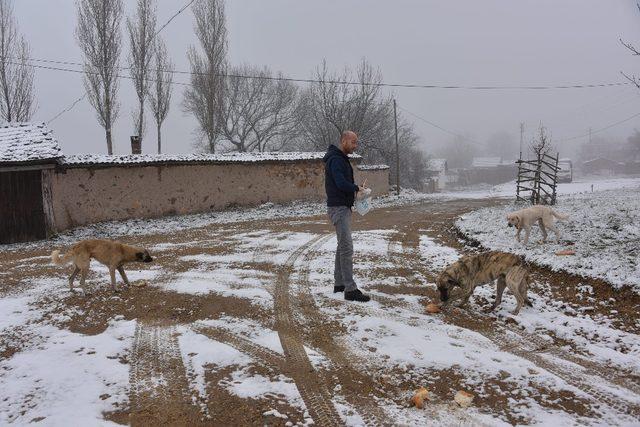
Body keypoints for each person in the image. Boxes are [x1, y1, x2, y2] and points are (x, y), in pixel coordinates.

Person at [322, 130, 370, 302]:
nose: (355, 146)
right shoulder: (335, 160)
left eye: (356, 142)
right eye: (353, 142)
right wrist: (356, 188)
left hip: (342, 207)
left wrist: (355, 190)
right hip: (338, 208)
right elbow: (341, 183)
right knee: (347, 248)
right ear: (343, 141)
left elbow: (342, 183)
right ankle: (350, 289)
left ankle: (339, 283)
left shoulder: (340, 159)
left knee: (342, 246)